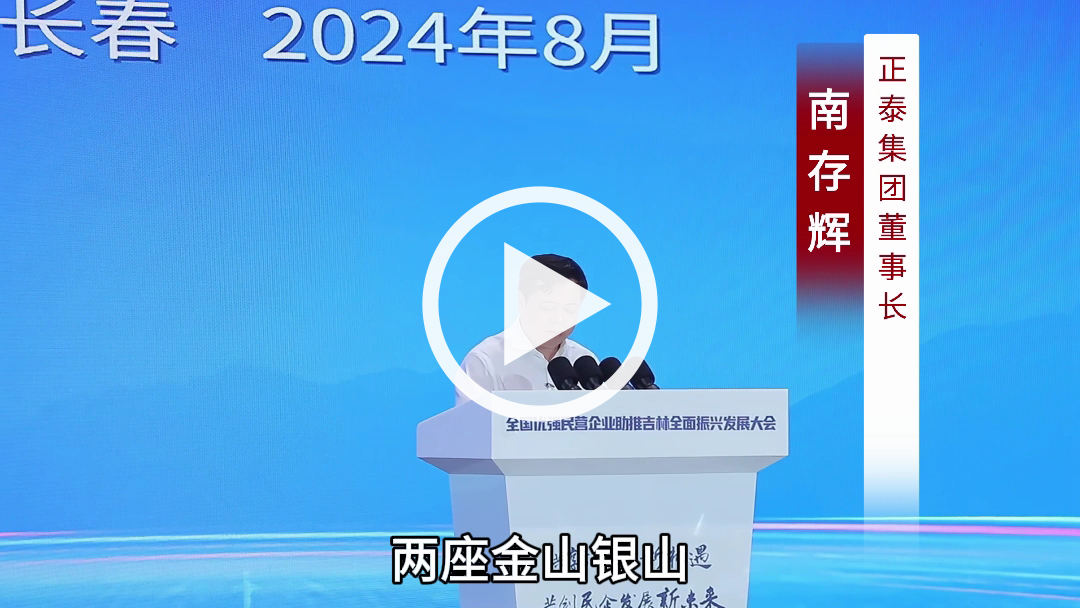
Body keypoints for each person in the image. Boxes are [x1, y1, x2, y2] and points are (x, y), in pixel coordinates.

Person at [455, 253, 597, 406]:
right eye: (548, 307)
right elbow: (470, 421)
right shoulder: (484, 361)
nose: (559, 319)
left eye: (570, 309)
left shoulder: (586, 363)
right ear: (522, 302)